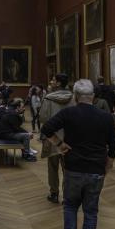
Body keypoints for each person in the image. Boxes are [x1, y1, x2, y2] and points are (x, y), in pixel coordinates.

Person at [41, 79, 115, 229]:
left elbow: (46, 128)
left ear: (75, 97)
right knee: (91, 212)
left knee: (70, 207)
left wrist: (59, 144)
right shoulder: (105, 117)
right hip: (96, 170)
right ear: (92, 97)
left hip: (74, 168)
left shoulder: (69, 113)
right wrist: (109, 163)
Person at [40, 73, 75, 203]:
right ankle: (67, 196)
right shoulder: (73, 98)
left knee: (52, 167)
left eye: (53, 80)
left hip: (52, 137)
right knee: (68, 168)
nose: (51, 81)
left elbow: (43, 118)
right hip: (69, 138)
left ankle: (54, 193)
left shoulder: (48, 98)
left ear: (59, 83)